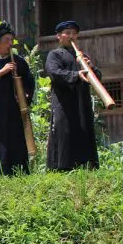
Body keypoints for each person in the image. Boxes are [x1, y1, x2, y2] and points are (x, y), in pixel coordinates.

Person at [0, 22, 35, 176]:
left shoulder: (19, 61)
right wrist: (2, 71)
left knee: (14, 140)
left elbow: (29, 82)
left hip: (13, 110)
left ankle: (16, 172)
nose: (10, 44)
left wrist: (26, 95)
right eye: (6, 40)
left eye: (11, 40)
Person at [45, 20, 100, 171]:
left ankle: (87, 166)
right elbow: (54, 73)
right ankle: (62, 168)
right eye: (67, 33)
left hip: (82, 102)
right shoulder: (54, 54)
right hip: (64, 103)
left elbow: (97, 78)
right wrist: (75, 75)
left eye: (74, 34)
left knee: (84, 129)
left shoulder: (82, 56)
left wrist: (90, 66)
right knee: (65, 132)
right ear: (59, 36)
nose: (71, 36)